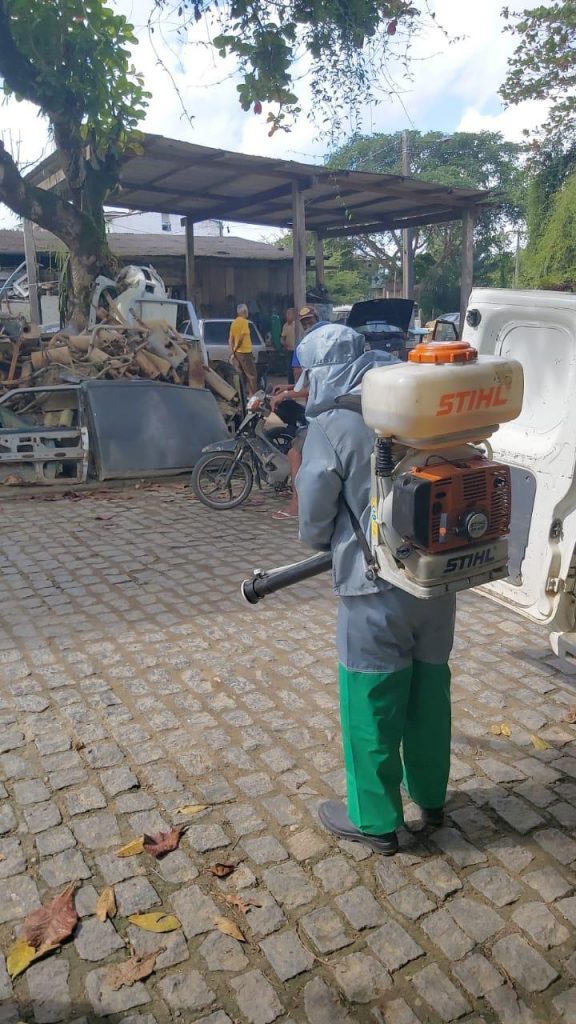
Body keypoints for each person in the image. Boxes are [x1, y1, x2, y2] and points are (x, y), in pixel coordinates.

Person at [295, 323, 456, 856]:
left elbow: (314, 517)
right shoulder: (422, 405)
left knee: (371, 701)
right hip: (437, 580)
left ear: (322, 372)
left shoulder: (333, 425)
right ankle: (430, 797)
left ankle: (375, 821)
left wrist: (324, 538)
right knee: (429, 694)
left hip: (374, 586)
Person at [271, 305, 326, 520]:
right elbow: (306, 382)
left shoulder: (321, 349)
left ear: (318, 320)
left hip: (325, 414)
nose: (308, 325)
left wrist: (287, 395)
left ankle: (296, 506)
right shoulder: (316, 346)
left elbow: (317, 388)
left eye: (310, 321)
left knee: (295, 453)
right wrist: (287, 388)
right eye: (305, 323)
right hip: (321, 409)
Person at [228, 303, 257, 397]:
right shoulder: (244, 322)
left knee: (242, 376)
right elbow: (241, 337)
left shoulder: (234, 323)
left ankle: (242, 397)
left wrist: (232, 352)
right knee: (252, 376)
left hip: (237, 353)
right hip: (245, 352)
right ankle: (253, 397)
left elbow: (230, 339)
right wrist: (236, 347)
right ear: (244, 311)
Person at [280, 308, 296, 384]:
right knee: (290, 371)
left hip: (297, 351)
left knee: (297, 370)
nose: (287, 316)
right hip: (289, 351)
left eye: (289, 314)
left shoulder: (296, 325)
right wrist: (283, 343)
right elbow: (283, 338)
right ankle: (290, 386)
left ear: (293, 315)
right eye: (287, 314)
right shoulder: (285, 326)